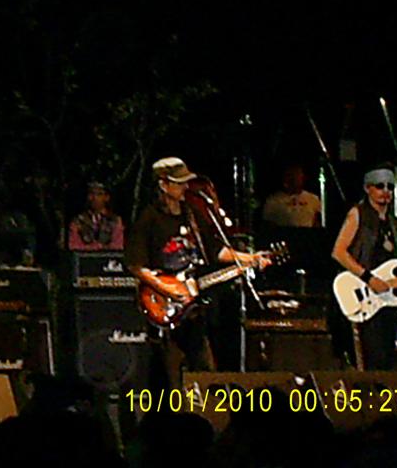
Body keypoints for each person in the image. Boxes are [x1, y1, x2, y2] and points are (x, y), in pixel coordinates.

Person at [125, 157, 270, 388]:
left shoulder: (192, 214)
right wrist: (168, 289)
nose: (185, 187)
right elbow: (136, 265)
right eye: (179, 182)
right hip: (165, 305)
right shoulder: (149, 218)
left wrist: (251, 258)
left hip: (194, 306)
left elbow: (216, 251)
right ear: (163, 185)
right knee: (169, 374)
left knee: (204, 369)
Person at [332, 163, 397, 370]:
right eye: (379, 185)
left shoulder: (395, 223)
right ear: (368, 188)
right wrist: (368, 278)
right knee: (369, 357)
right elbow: (338, 252)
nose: (385, 191)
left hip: (386, 300)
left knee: (388, 358)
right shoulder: (357, 214)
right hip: (363, 291)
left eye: (390, 186)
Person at [68, 181, 124, 251]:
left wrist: (102, 248)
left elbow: (117, 246)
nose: (95, 198)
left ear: (106, 197)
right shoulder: (78, 221)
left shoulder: (115, 220)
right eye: (91, 194)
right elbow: (74, 246)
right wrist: (92, 247)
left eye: (99, 194)